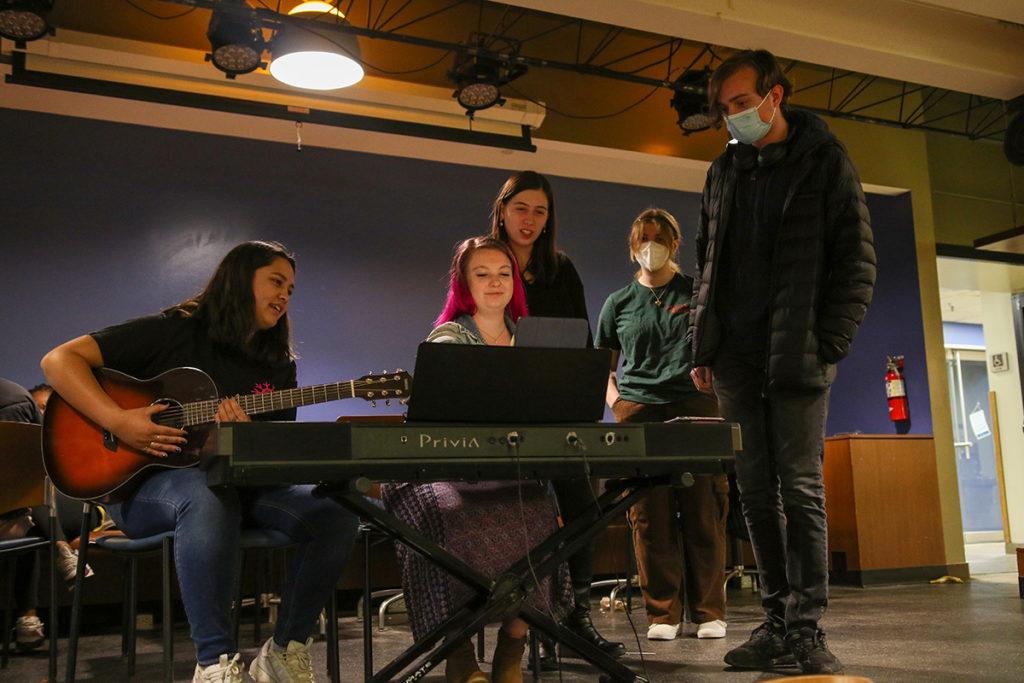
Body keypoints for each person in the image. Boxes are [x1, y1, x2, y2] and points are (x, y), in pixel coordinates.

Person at [41, 240, 359, 683]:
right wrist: (120, 420)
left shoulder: (277, 363)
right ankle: (214, 663)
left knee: (338, 510)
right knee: (206, 496)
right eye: (275, 281)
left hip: (238, 487)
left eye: (291, 287)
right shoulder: (175, 331)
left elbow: (275, 453)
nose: (286, 294)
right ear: (239, 278)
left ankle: (286, 650)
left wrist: (248, 440)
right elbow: (59, 360)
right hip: (142, 488)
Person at [689, 50, 876, 675]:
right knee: (754, 493)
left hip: (799, 351)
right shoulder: (723, 172)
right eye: (725, 109)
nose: (733, 117)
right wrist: (703, 344)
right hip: (736, 358)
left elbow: (856, 260)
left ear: (777, 95)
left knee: (799, 490)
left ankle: (807, 628)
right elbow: (706, 263)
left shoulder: (826, 160)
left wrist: (830, 342)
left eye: (742, 103)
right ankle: (774, 622)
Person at [381, 236, 572, 683]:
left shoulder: (535, 341)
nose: (495, 282)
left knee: (539, 511)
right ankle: (460, 654)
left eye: (503, 273)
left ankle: (513, 645)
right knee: (445, 512)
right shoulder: (448, 337)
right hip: (447, 471)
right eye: (482, 274)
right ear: (464, 284)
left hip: (508, 471)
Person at [490, 171, 624, 665]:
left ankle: (573, 615)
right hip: (501, 413)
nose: (530, 220)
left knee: (584, 508)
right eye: (521, 208)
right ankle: (528, 620)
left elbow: (583, 342)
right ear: (502, 209)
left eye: (540, 211)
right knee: (523, 515)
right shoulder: (483, 261)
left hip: (557, 409)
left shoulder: (561, 269)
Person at [595, 208, 729, 642]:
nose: (651, 244)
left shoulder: (694, 293)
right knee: (649, 515)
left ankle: (709, 611)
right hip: (639, 412)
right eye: (643, 237)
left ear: (675, 244)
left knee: (703, 508)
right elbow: (601, 367)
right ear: (633, 247)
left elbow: (718, 350)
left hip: (694, 407)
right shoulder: (617, 303)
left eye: (660, 237)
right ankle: (662, 615)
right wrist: (618, 405)